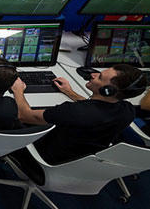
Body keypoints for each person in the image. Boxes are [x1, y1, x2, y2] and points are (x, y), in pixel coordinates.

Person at [11, 64, 146, 165]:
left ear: (107, 91)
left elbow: (24, 115)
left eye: (99, 77)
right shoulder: (127, 110)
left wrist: (18, 90)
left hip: (47, 160)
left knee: (8, 115)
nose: (93, 74)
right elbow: (95, 108)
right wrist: (69, 92)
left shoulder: (73, 112)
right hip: (82, 161)